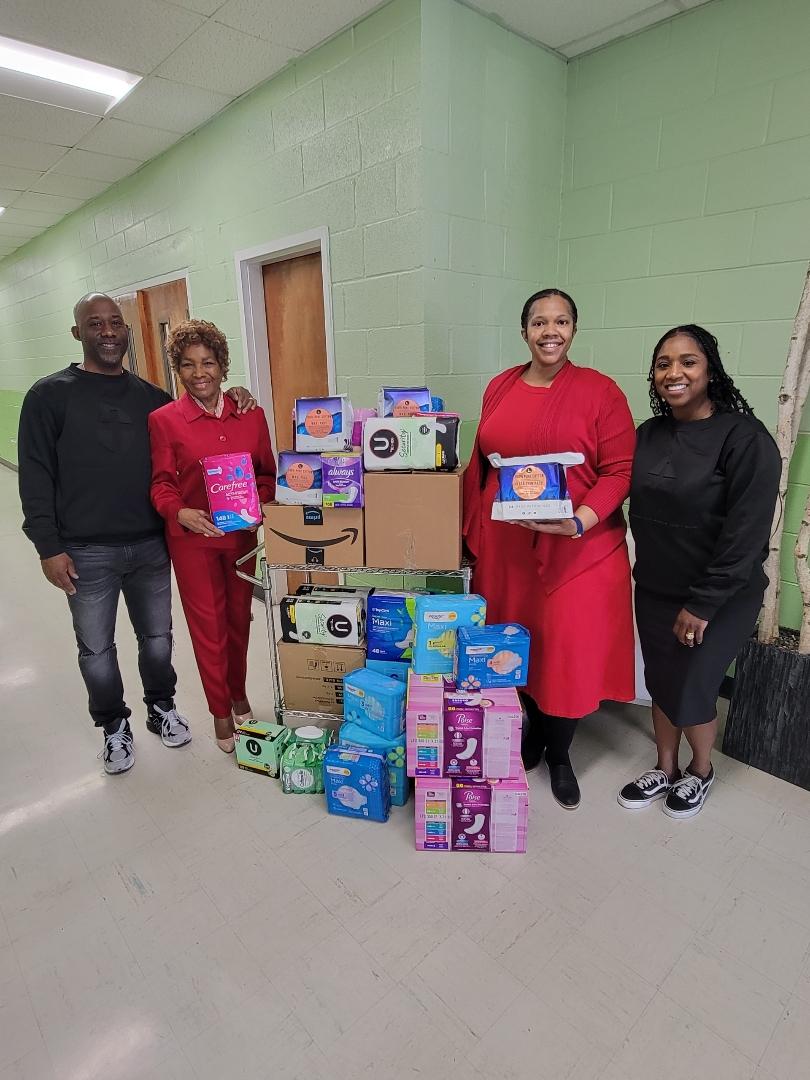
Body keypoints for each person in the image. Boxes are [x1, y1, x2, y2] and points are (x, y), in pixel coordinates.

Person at [18, 293, 256, 775]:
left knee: (157, 638)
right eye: (94, 323)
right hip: (86, 549)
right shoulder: (49, 395)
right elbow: (35, 475)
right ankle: (113, 727)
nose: (107, 331)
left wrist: (241, 398)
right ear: (77, 332)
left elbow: (180, 464)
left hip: (150, 544)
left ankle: (161, 708)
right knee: (97, 648)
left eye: (114, 323)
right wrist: (48, 547)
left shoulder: (153, 399)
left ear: (126, 332)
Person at [463, 288, 636, 809]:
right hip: (507, 546)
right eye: (539, 322)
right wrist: (469, 532)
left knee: (563, 651)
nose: (550, 331)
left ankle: (560, 752)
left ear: (574, 330)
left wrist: (579, 522)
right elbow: (482, 463)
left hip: (576, 548)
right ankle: (531, 730)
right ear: (524, 332)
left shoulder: (601, 392)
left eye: (561, 321)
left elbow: (620, 471)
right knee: (515, 645)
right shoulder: (499, 386)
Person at [620, 325, 780, 819]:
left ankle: (700, 771)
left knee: (693, 684)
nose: (675, 372)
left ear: (709, 369)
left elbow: (747, 534)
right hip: (656, 585)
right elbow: (611, 491)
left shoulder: (744, 438)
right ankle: (665, 767)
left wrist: (703, 602)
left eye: (688, 362)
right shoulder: (647, 435)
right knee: (662, 679)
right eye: (664, 363)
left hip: (719, 595)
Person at [149, 320, 276, 753]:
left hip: (240, 540)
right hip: (193, 542)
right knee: (209, 629)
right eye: (187, 365)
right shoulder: (164, 421)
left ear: (222, 366)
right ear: (178, 371)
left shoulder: (251, 414)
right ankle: (220, 710)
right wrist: (179, 511)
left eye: (207, 363)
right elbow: (161, 484)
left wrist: (257, 504)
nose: (199, 372)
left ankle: (238, 693)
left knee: (240, 620)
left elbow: (267, 473)